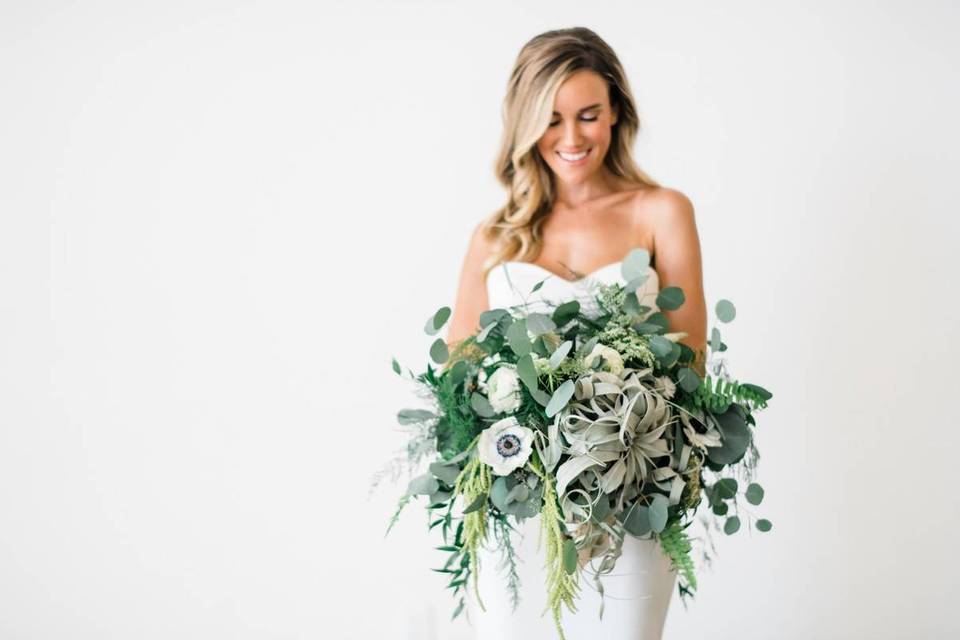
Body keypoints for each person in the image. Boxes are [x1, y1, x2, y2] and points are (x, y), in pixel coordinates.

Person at [445, 27, 707, 640]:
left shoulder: (662, 211)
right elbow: (460, 369)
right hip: (517, 502)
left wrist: (610, 432)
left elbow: (690, 357)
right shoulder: (496, 236)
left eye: (588, 115)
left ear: (617, 110)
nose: (571, 138)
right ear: (525, 123)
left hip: (636, 495)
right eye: (552, 119)